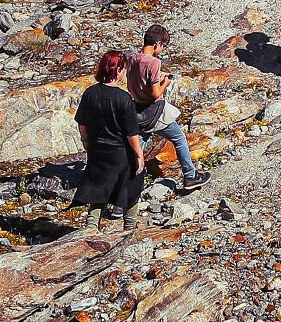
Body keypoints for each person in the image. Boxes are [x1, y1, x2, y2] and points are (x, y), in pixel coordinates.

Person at [73, 52, 149, 225]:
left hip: (98, 152)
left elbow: (82, 124)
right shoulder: (124, 98)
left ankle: (91, 228)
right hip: (121, 154)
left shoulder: (90, 93)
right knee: (131, 188)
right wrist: (139, 155)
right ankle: (129, 228)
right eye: (124, 69)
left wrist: (86, 142)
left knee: (98, 190)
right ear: (119, 69)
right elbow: (131, 133)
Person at [118, 26, 195, 189]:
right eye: (163, 46)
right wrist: (165, 82)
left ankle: (122, 187)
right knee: (179, 139)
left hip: (137, 111)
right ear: (157, 44)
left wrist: (156, 78)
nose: (162, 49)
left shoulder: (132, 58)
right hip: (155, 112)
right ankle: (190, 176)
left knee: (136, 150)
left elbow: (137, 80)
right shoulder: (154, 62)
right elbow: (154, 93)